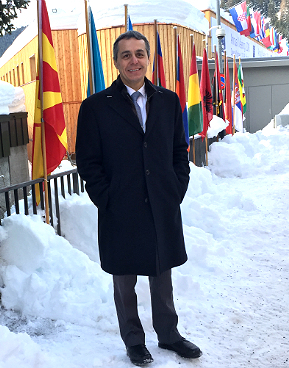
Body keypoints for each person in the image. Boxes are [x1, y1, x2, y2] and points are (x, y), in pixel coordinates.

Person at [75, 30, 201, 366]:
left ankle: (169, 335)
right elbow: (88, 161)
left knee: (162, 274)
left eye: (140, 54)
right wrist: (107, 198)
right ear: (116, 62)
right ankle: (133, 340)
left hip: (161, 202)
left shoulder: (169, 101)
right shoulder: (95, 107)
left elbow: (179, 150)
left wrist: (176, 188)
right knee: (124, 278)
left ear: (148, 58)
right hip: (121, 206)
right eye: (126, 55)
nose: (134, 60)